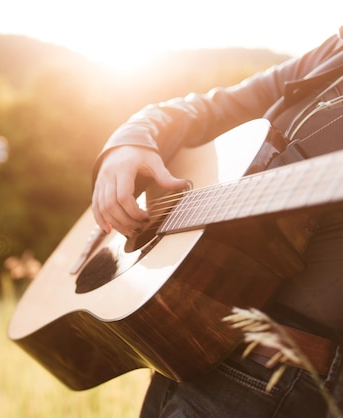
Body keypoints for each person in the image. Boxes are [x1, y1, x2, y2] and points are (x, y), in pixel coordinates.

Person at [91, 27, 343, 417]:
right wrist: (132, 140)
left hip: (269, 372)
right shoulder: (333, 50)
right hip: (187, 343)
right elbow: (206, 109)